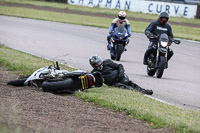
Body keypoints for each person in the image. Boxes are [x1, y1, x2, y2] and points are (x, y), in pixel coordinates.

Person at [89, 54, 153, 95]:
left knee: (128, 82)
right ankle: (138, 92)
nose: (98, 64)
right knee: (122, 87)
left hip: (121, 77)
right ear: (93, 65)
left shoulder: (107, 62)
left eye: (99, 62)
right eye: (96, 64)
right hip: (113, 83)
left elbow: (120, 66)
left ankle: (144, 91)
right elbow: (93, 82)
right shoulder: (94, 73)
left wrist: (121, 73)